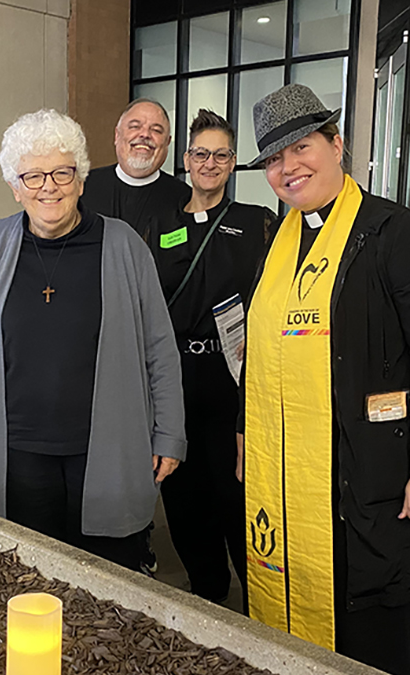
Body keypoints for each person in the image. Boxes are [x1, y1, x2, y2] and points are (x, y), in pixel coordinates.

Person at [239, 84, 410, 674]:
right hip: (290, 477)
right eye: (272, 159)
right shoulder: (277, 243)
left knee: (371, 636)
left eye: (302, 148)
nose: (288, 168)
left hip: (376, 482)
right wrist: (247, 436)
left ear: (336, 144)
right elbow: (260, 352)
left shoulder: (396, 234)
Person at [0, 109, 187, 571]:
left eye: (61, 172)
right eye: (32, 176)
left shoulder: (123, 244)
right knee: (28, 575)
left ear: (80, 180)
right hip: (16, 450)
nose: (48, 187)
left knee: (110, 577)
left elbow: (159, 346)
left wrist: (170, 433)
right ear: (15, 187)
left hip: (106, 446)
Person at [157, 110, 275, 604]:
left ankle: (259, 596)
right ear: (186, 160)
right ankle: (207, 590)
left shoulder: (258, 223)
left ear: (232, 164)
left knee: (235, 495)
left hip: (233, 380)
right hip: (176, 378)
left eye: (221, 155)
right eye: (201, 153)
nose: (210, 163)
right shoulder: (160, 226)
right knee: (183, 497)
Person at [81, 97, 192, 256]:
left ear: (167, 142)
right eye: (135, 126)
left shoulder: (184, 199)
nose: (145, 134)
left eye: (156, 130)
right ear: (117, 135)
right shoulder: (84, 187)